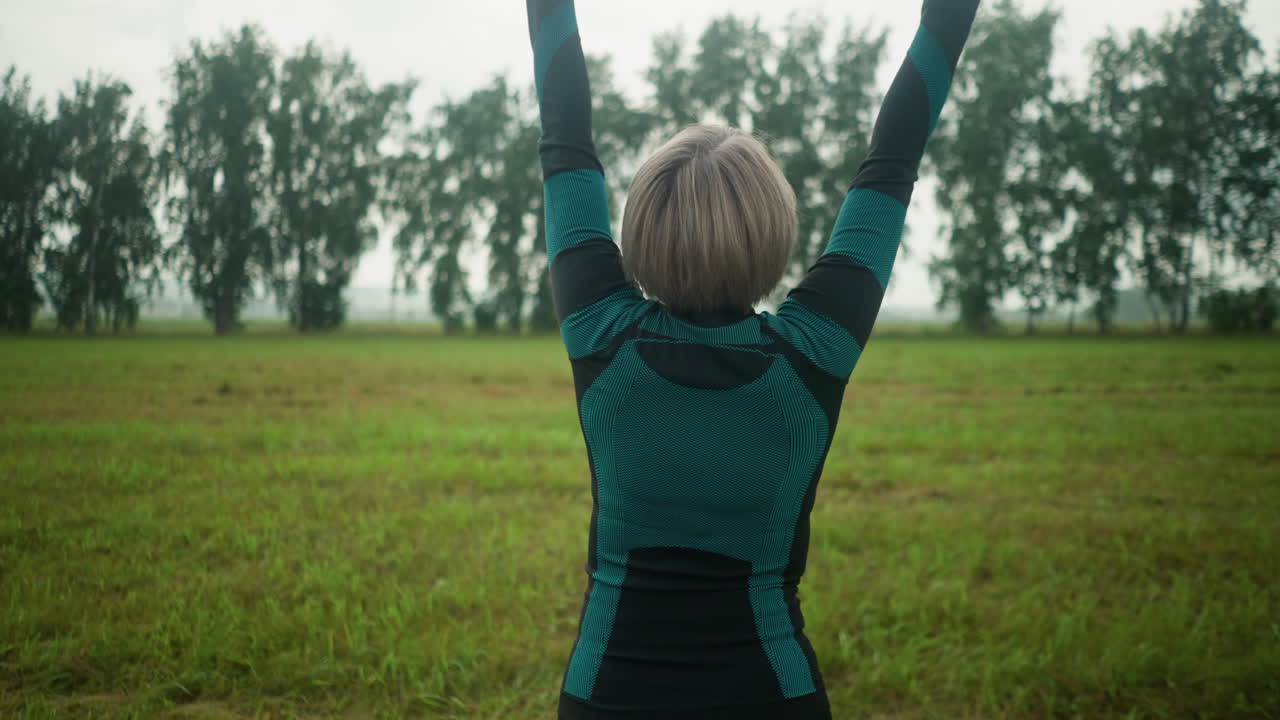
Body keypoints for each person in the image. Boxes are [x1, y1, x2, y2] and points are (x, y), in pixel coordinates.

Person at [525, 1, 980, 717]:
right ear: (774, 229)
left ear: (643, 228)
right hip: (774, 696)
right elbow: (893, 160)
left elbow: (565, 138)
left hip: (607, 696)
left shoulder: (600, 336)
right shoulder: (813, 354)